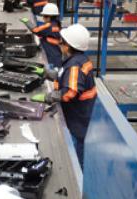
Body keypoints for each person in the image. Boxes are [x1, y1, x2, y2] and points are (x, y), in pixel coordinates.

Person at [31, 24, 97, 169]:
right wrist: (49, 74)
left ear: (68, 46)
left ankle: (79, 178)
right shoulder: (79, 59)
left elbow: (70, 92)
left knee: (76, 153)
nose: (60, 43)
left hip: (77, 118)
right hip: (82, 113)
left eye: (62, 41)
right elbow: (66, 77)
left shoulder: (74, 66)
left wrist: (49, 97)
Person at [20, 3, 62, 69]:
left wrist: (27, 22)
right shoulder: (56, 24)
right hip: (56, 52)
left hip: (51, 54)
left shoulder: (48, 25)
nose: (43, 18)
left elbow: (36, 30)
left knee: (52, 72)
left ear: (49, 17)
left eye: (44, 16)